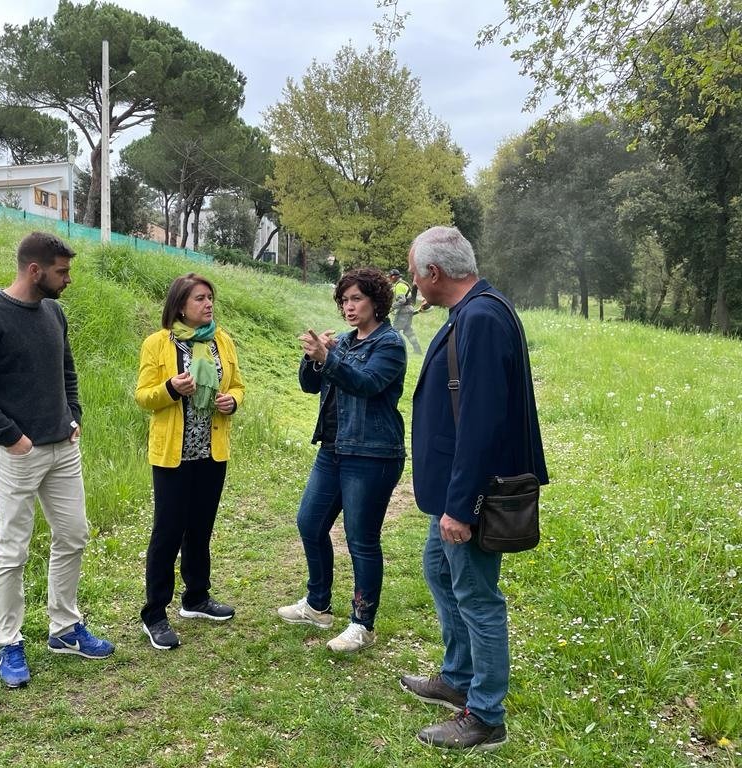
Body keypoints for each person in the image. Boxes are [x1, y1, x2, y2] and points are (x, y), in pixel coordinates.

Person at [401, 226, 548, 750]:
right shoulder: (475, 310)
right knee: (439, 570)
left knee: (478, 598)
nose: (414, 284)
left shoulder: (481, 318)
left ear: (434, 274)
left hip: (472, 494)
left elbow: (482, 422)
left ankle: (485, 715)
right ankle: (457, 676)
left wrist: (461, 508)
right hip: (453, 489)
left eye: (415, 273)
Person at [0, 231, 114, 689]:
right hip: (17, 453)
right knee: (13, 548)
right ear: (35, 270)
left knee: (74, 534)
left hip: (63, 448)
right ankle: (8, 642)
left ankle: (64, 629)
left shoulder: (54, 313)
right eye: (62, 272)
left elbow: (67, 372)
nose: (69, 280)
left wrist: (73, 415)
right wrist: (11, 437)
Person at [277, 267, 406, 653]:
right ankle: (318, 605)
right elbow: (310, 385)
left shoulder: (390, 344)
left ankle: (362, 624)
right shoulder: (345, 342)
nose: (349, 307)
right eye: (344, 300)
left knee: (361, 540)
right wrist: (313, 357)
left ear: (376, 302)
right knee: (310, 523)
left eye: (356, 299)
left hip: (372, 453)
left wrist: (329, 358)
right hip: (333, 449)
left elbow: (366, 384)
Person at [135, 273, 245, 650]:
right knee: (167, 532)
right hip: (173, 454)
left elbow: (238, 385)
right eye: (200, 298)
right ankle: (155, 613)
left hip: (211, 452)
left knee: (200, 528)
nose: (208, 304)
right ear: (181, 305)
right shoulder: (158, 344)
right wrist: (170, 389)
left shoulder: (221, 340)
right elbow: (144, 396)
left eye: (210, 297)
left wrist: (233, 401)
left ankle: (196, 598)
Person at [387, 268, 422, 354]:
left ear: (394, 276)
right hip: (408, 309)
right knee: (408, 331)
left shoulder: (399, 285)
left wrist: (391, 307)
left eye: (390, 277)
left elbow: (401, 300)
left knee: (394, 330)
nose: (389, 279)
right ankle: (417, 350)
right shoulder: (402, 284)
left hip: (404, 310)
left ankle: (392, 350)